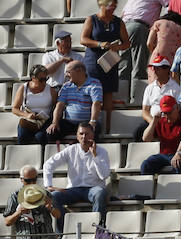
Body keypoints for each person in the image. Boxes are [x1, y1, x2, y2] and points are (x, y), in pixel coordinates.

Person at [43, 122, 112, 228]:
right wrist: (48, 185)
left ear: (92, 135)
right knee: (54, 196)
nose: (84, 137)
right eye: (81, 134)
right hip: (73, 189)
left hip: (93, 188)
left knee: (100, 194)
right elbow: (48, 164)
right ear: (77, 135)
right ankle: (63, 230)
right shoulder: (71, 150)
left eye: (87, 134)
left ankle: (98, 230)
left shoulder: (102, 152)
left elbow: (104, 176)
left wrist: (95, 156)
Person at [82, 0, 130, 128]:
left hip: (110, 60)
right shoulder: (92, 20)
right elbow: (83, 39)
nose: (113, 8)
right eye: (110, 5)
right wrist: (99, 44)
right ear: (102, 5)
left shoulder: (118, 22)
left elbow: (127, 43)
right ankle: (91, 125)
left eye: (115, 5)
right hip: (93, 61)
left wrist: (117, 47)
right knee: (93, 92)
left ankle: (108, 126)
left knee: (108, 92)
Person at [140, 96, 181, 174]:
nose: (167, 116)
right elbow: (146, 139)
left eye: (169, 112)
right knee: (146, 164)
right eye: (165, 113)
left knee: (177, 163)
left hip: (180, 153)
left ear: (177, 108)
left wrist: (178, 153)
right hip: (164, 155)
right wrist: (154, 121)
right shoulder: (160, 121)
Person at [49, 60, 104, 140]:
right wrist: (55, 122)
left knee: (92, 134)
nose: (66, 75)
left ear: (79, 71)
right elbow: (59, 105)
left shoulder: (94, 83)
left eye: (68, 72)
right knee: (51, 133)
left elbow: (96, 103)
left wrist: (92, 121)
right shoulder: (66, 86)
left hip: (87, 122)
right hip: (69, 123)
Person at [120, 0, 164, 90]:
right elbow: (170, 6)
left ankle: (122, 97)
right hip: (139, 27)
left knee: (124, 64)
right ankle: (136, 98)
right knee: (139, 64)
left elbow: (123, 13)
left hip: (124, 26)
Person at [15, 64, 60, 146]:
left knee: (41, 137)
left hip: (45, 120)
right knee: (23, 135)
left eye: (46, 79)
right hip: (29, 120)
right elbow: (15, 109)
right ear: (33, 78)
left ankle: (42, 157)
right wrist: (26, 115)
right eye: (41, 79)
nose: (44, 82)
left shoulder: (50, 90)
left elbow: (56, 106)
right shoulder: (24, 88)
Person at [136, 55, 180, 139]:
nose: (155, 71)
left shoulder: (176, 88)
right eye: (154, 68)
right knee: (138, 133)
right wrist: (153, 122)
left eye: (158, 68)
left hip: (169, 121)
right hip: (152, 121)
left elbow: (177, 110)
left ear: (167, 69)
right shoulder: (150, 88)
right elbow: (145, 111)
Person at [147, 11, 181, 83]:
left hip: (157, 58)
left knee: (155, 85)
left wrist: (155, 53)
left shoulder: (159, 23)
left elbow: (149, 43)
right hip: (173, 62)